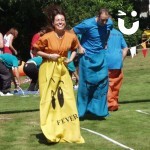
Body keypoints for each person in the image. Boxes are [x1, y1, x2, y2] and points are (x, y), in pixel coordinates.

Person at [33, 5, 84, 143]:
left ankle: (67, 130)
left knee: (67, 99)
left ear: (65, 21)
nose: (60, 22)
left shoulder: (71, 36)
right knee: (49, 100)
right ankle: (50, 131)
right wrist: (50, 56)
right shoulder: (47, 37)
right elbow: (35, 50)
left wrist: (71, 59)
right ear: (53, 23)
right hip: (48, 68)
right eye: (57, 20)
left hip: (62, 68)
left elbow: (75, 48)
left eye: (62, 20)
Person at [72, 8, 113, 118]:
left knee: (103, 83)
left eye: (106, 20)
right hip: (87, 57)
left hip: (101, 56)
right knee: (85, 86)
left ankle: (98, 111)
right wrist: (79, 47)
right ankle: (81, 112)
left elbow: (109, 30)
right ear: (98, 16)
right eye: (102, 20)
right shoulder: (87, 24)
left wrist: (105, 42)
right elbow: (72, 32)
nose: (104, 22)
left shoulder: (109, 23)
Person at [105, 28, 128, 111]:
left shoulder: (102, 32)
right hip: (118, 61)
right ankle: (114, 101)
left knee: (106, 83)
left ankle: (111, 104)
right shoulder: (118, 33)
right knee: (116, 83)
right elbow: (125, 48)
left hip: (106, 60)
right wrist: (121, 59)